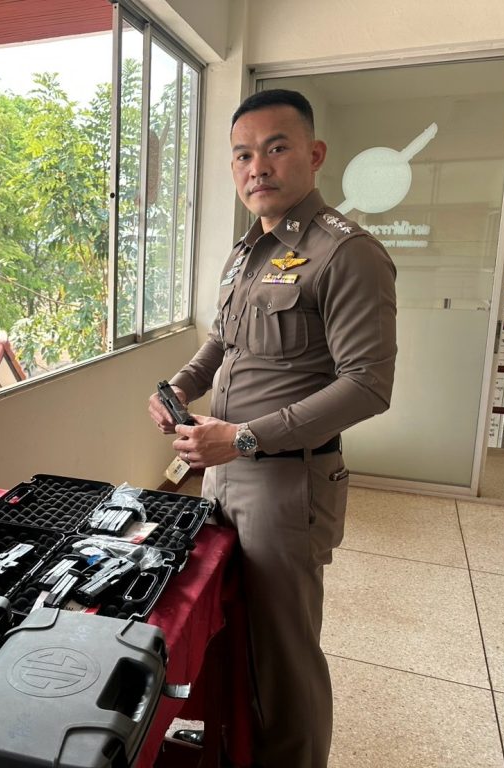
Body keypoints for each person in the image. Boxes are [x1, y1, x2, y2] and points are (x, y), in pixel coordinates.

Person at [148, 89, 397, 768]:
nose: (257, 166)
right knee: (233, 630)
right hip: (224, 473)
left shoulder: (347, 253)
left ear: (314, 155)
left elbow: (368, 385)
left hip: (288, 482)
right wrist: (180, 386)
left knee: (284, 655)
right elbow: (221, 342)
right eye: (242, 155)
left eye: (276, 147)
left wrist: (244, 437)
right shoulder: (246, 252)